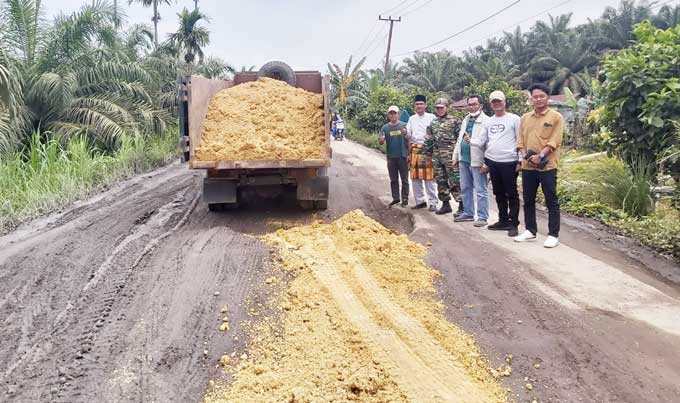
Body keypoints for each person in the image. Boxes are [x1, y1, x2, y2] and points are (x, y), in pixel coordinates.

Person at [515, 83, 564, 248]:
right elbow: (520, 140)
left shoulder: (556, 117)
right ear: (531, 99)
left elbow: (555, 140)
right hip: (528, 166)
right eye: (535, 96)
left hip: (547, 166)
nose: (538, 99)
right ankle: (530, 230)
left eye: (541, 96)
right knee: (528, 199)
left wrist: (541, 155)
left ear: (547, 97)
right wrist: (524, 155)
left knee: (551, 200)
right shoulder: (525, 118)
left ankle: (553, 234)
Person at [471, 90, 521, 237]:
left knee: (511, 193)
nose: (497, 104)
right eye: (494, 102)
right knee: (498, 192)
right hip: (493, 162)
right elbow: (482, 141)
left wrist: (521, 160)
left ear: (504, 102)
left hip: (509, 162)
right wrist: (470, 141)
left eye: (499, 101)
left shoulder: (514, 119)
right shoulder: (489, 121)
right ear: (490, 104)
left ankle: (513, 223)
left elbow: (520, 140)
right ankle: (503, 220)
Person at [452, 94, 490, 226]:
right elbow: (459, 139)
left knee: (481, 190)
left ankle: (482, 217)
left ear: (481, 105)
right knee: (465, 187)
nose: (472, 107)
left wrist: (486, 163)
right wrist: (455, 156)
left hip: (478, 160)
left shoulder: (487, 121)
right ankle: (468, 213)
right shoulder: (466, 119)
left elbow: (488, 144)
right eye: (470, 104)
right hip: (464, 159)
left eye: (474, 104)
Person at [423, 98, 462, 216]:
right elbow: (429, 139)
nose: (439, 110)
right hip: (437, 156)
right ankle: (445, 204)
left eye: (441, 107)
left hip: (451, 157)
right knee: (440, 181)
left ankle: (462, 205)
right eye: (437, 108)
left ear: (447, 107)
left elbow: (460, 139)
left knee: (455, 181)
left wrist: (459, 156)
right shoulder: (433, 122)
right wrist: (425, 155)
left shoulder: (455, 121)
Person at [405, 95, 437, 210]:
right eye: (417, 104)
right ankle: (420, 201)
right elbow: (409, 135)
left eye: (421, 104)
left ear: (425, 105)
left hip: (427, 149)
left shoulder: (432, 117)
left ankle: (433, 202)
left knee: (429, 177)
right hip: (414, 149)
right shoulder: (411, 119)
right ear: (415, 106)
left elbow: (435, 134)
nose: (419, 106)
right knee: (415, 178)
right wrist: (405, 133)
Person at [380, 105, 410, 207]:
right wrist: (382, 139)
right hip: (391, 157)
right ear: (388, 115)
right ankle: (396, 198)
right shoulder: (385, 128)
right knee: (393, 179)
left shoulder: (404, 125)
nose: (393, 115)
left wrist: (409, 154)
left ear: (398, 114)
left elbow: (410, 139)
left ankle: (405, 199)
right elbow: (380, 142)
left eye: (395, 113)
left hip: (403, 156)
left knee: (405, 179)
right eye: (391, 113)